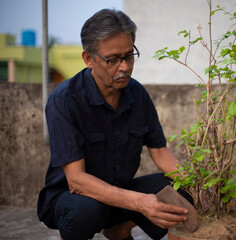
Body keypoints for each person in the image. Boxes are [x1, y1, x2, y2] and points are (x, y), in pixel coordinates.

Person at [37, 9, 191, 240]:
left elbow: (160, 152)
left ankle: (119, 228)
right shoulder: (64, 101)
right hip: (73, 197)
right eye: (113, 60)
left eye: (129, 56)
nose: (125, 67)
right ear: (89, 59)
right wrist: (140, 202)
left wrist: (202, 187)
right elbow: (77, 181)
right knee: (84, 211)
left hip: (120, 192)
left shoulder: (137, 93)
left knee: (183, 191)